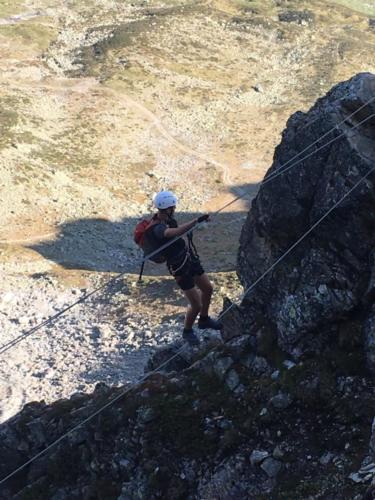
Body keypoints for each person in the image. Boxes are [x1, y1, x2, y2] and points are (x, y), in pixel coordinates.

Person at [149, 190, 222, 345]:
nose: (174, 210)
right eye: (173, 208)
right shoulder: (158, 228)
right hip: (179, 268)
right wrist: (196, 221)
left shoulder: (169, 220)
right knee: (196, 304)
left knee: (208, 288)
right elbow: (173, 233)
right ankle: (187, 331)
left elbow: (177, 230)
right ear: (168, 209)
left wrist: (198, 222)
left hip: (188, 259)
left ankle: (204, 320)